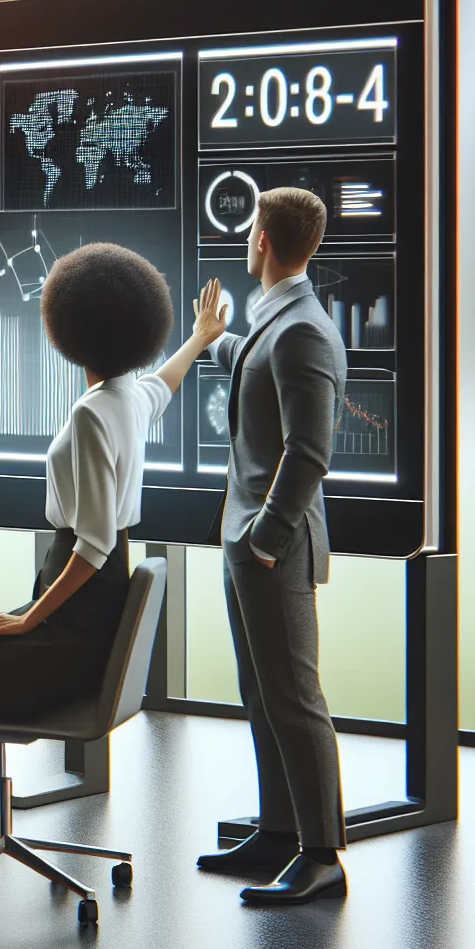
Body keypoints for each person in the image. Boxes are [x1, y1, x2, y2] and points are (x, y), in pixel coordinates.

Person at [0, 243, 225, 935]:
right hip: (85, 610)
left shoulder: (92, 414)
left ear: (70, 326)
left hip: (69, 624)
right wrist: (200, 339)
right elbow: (166, 381)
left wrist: (29, 622)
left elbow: (93, 545)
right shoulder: (128, 396)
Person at [193, 187, 350, 905]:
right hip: (249, 542)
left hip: (270, 547)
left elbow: (310, 451)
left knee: (294, 696)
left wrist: (266, 537)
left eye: (251, 228)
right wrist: (207, 339)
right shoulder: (278, 319)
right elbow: (253, 366)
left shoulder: (305, 329)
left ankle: (322, 855)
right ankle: (280, 832)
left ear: (261, 240)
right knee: (261, 692)